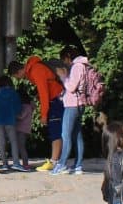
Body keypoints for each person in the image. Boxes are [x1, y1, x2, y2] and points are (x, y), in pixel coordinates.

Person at [8, 56, 64, 172]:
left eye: (16, 77)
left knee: (55, 131)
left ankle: (54, 162)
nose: (18, 79)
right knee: (57, 131)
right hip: (56, 99)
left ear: (18, 72)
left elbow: (44, 93)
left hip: (55, 100)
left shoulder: (36, 70)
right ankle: (57, 160)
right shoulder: (33, 70)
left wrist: (43, 114)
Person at [53, 45, 88, 175]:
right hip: (79, 104)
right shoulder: (83, 65)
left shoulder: (77, 66)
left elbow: (71, 87)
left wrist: (63, 77)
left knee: (65, 135)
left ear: (68, 56)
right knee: (77, 135)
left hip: (72, 105)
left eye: (64, 59)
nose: (65, 63)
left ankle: (61, 164)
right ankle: (78, 165)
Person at [0, 75, 25, 171]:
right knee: (13, 142)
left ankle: (4, 164)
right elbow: (18, 107)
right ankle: (16, 163)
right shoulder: (13, 93)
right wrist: (15, 113)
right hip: (10, 120)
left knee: (2, 142)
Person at [15, 97, 35, 170]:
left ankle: (25, 164)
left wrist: (13, 114)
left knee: (21, 147)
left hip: (21, 129)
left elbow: (21, 116)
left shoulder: (25, 107)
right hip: (26, 129)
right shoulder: (30, 106)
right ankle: (24, 164)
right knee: (21, 147)